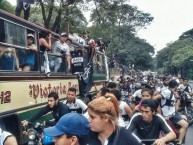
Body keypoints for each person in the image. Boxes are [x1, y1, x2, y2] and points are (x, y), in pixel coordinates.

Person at [153, 80, 188, 144]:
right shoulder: (167, 92)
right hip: (170, 115)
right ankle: (179, 142)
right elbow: (155, 98)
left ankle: (179, 141)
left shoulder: (171, 92)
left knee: (185, 117)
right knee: (185, 125)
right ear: (175, 86)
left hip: (173, 113)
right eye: (177, 86)